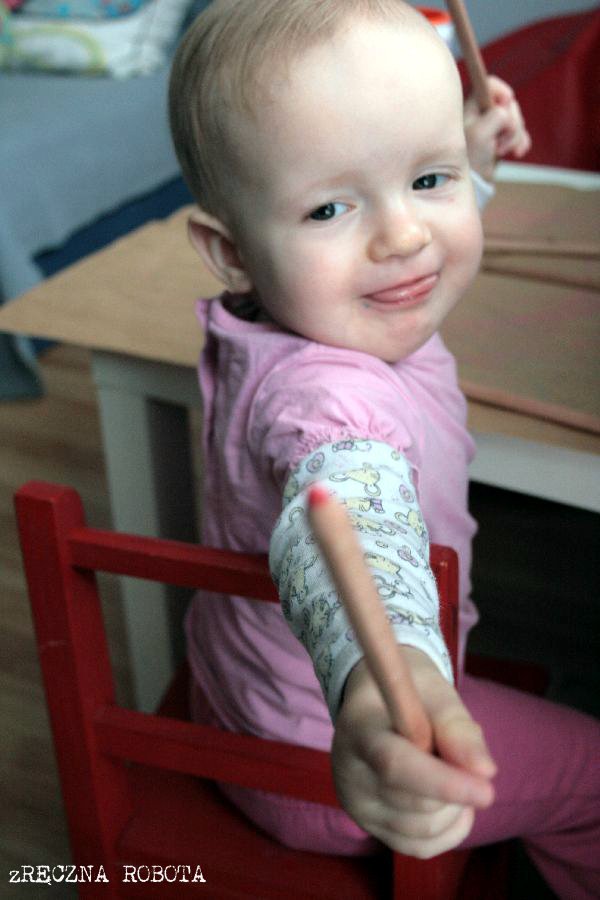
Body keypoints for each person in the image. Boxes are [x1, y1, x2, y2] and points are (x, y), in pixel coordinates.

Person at [168, 2, 599, 896]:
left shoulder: (289, 308)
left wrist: (470, 163)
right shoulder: (331, 402)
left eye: (428, 179)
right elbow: (354, 513)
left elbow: (393, 229)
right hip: (346, 759)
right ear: (230, 250)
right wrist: (376, 681)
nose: (405, 236)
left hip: (241, 695)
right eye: (329, 207)